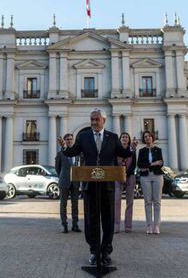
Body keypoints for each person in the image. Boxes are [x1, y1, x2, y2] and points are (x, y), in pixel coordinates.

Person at [58, 108, 138, 266]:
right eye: (92, 119)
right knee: (91, 219)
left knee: (108, 219)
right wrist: (65, 148)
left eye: (96, 119)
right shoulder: (83, 136)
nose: (93, 122)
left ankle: (106, 251)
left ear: (104, 120)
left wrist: (132, 148)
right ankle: (94, 251)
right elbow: (72, 152)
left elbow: (124, 152)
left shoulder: (113, 137)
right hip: (90, 186)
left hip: (107, 186)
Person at [137, 131, 164, 234]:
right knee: (147, 201)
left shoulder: (158, 150)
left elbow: (161, 163)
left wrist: (147, 165)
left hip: (157, 176)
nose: (147, 138)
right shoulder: (141, 151)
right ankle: (149, 225)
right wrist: (153, 163)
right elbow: (140, 164)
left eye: (149, 136)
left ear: (152, 138)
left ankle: (156, 225)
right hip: (145, 177)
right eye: (145, 137)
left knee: (157, 201)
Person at [55, 133, 81, 234]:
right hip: (64, 182)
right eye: (68, 139)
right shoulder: (60, 154)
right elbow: (57, 168)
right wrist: (62, 176)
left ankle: (75, 224)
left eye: (71, 139)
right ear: (64, 141)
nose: (70, 141)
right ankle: (64, 225)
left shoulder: (77, 154)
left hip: (75, 182)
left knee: (75, 204)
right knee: (63, 204)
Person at [114, 132, 137, 233]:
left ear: (129, 139)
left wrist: (127, 174)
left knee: (130, 202)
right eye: (123, 137)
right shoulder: (116, 150)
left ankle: (128, 226)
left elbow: (134, 164)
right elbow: (114, 163)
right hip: (118, 177)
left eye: (126, 137)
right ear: (120, 139)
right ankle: (116, 226)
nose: (124, 138)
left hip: (130, 176)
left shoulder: (132, 150)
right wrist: (120, 174)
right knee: (116, 201)